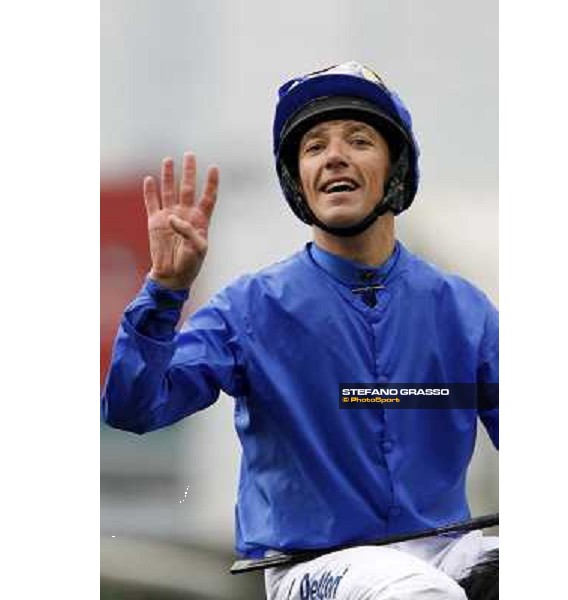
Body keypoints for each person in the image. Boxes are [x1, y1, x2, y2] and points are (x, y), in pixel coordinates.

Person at [102, 61, 499, 599]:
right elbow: (133, 407)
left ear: (395, 170)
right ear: (299, 182)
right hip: (315, 569)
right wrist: (165, 292)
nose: (334, 155)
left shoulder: (464, 309)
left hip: (446, 553)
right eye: (313, 147)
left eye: (358, 140)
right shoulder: (248, 307)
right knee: (415, 592)